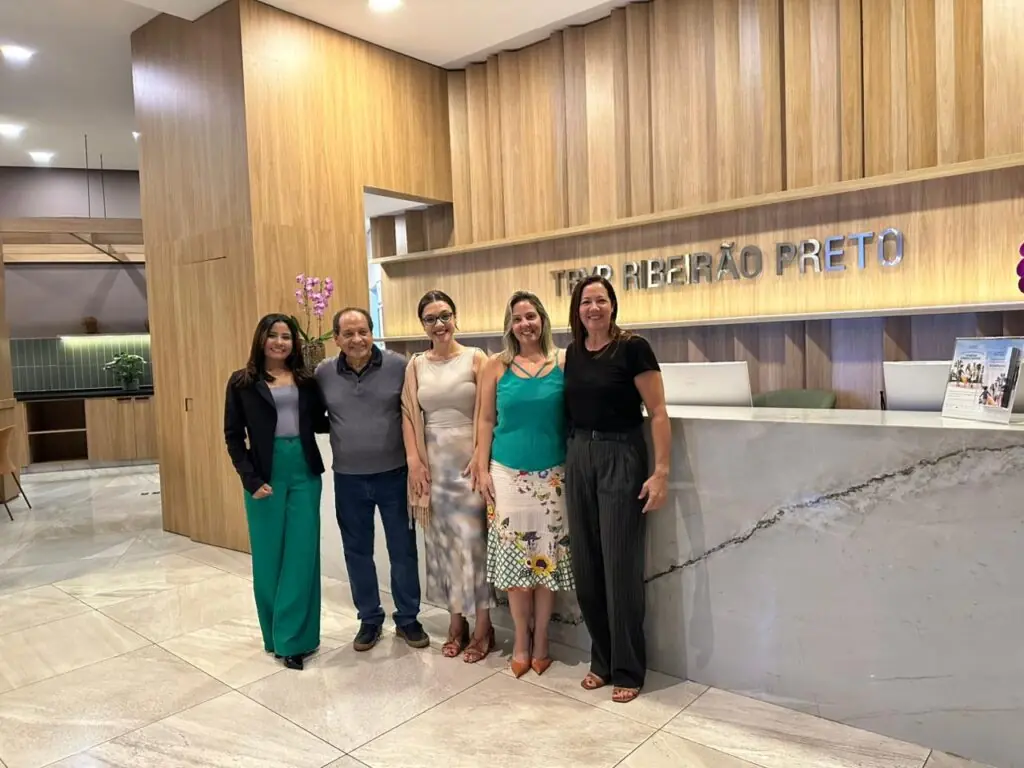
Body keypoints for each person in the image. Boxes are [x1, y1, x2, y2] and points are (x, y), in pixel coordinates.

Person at [563, 275, 670, 704]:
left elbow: (658, 412)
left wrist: (661, 471)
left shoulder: (633, 348)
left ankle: (628, 668)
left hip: (621, 455)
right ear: (577, 309)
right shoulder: (572, 352)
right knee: (587, 567)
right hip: (579, 456)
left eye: (601, 300)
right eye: (586, 301)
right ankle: (602, 660)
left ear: (613, 305)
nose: (594, 308)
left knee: (621, 566)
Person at [316, 307, 429, 652]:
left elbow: (414, 414)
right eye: (348, 334)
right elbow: (315, 416)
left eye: (363, 331)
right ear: (336, 339)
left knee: (403, 550)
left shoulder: (399, 366)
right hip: (348, 479)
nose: (357, 339)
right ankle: (369, 618)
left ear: (372, 331)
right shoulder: (323, 373)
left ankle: (408, 618)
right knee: (357, 552)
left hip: (394, 475)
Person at [475, 291, 574, 678]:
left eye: (530, 316)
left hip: (553, 477)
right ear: (509, 326)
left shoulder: (563, 362)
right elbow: (485, 419)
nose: (525, 324)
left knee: (547, 562)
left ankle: (542, 639)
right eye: (517, 319)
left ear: (543, 319)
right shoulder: (495, 366)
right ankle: (520, 639)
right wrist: (481, 466)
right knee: (517, 565)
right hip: (506, 475)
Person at [224, 313, 327, 671]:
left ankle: (295, 640)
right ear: (261, 339)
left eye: (287, 336)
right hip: (264, 475)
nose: (280, 342)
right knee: (269, 559)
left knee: (302, 556)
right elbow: (233, 436)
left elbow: (322, 421)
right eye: (273, 335)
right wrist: (250, 480)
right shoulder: (242, 382)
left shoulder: (306, 380)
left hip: (304, 472)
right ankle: (274, 635)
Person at [401, 290, 495, 663]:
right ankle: (457, 623)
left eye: (445, 316)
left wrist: (481, 458)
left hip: (471, 466)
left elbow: (489, 412)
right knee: (443, 548)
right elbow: (408, 414)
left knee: (474, 546)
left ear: (455, 318)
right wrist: (414, 461)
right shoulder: (416, 364)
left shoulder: (477, 358)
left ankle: (484, 626)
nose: (439, 324)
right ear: (422, 324)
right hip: (433, 470)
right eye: (431, 319)